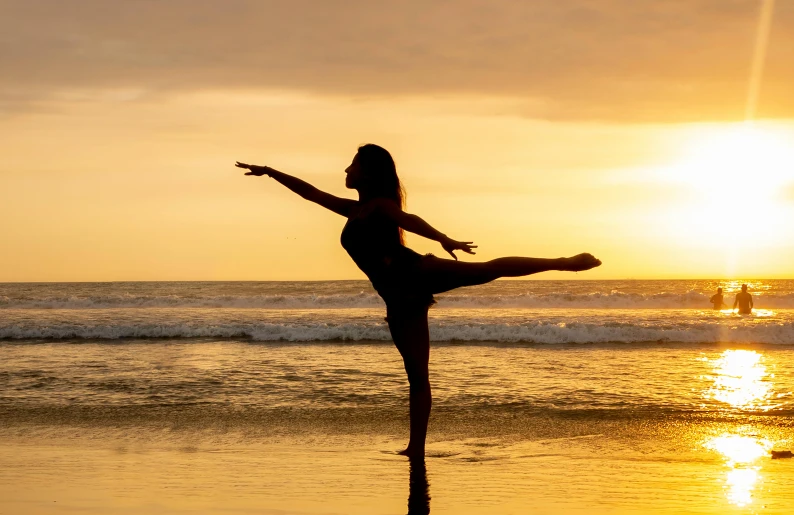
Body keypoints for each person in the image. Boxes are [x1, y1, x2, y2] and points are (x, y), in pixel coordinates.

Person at [235, 144, 601, 457]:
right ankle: (416, 448)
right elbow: (310, 193)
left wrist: (444, 238)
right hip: (397, 300)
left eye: (353, 163)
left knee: (487, 269)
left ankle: (565, 263)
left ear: (368, 171)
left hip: (415, 273)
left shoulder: (379, 206)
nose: (346, 168)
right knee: (417, 377)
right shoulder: (355, 209)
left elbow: (409, 220)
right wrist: (269, 172)